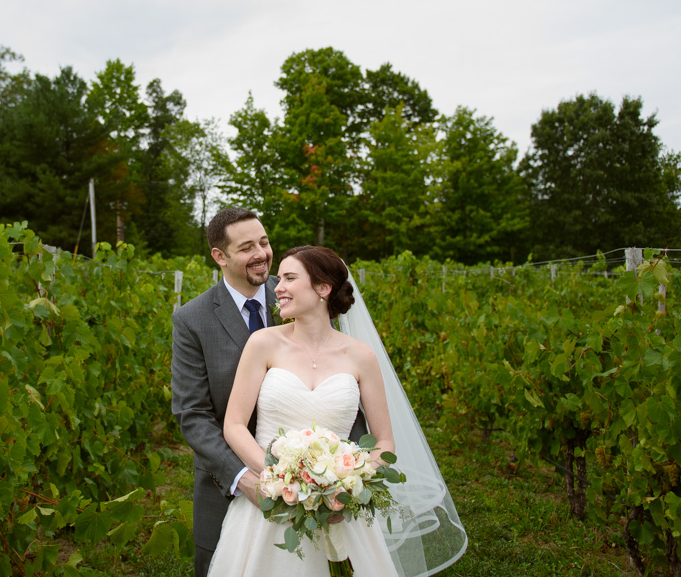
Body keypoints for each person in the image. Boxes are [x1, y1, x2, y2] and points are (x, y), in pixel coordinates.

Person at [207, 246, 468, 576]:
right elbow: (233, 426)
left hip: (338, 507)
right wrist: (284, 479)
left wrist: (348, 485)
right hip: (270, 501)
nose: (278, 287)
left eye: (289, 278)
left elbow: (384, 442)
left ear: (322, 288)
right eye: (280, 278)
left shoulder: (361, 357)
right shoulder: (263, 343)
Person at [171, 209, 368, 576]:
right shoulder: (192, 320)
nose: (262, 253)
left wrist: (346, 475)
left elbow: (343, 390)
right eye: (247, 247)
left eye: (264, 242)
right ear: (220, 256)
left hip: (325, 486)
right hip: (228, 485)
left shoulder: (301, 290)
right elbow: (192, 414)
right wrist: (243, 478)